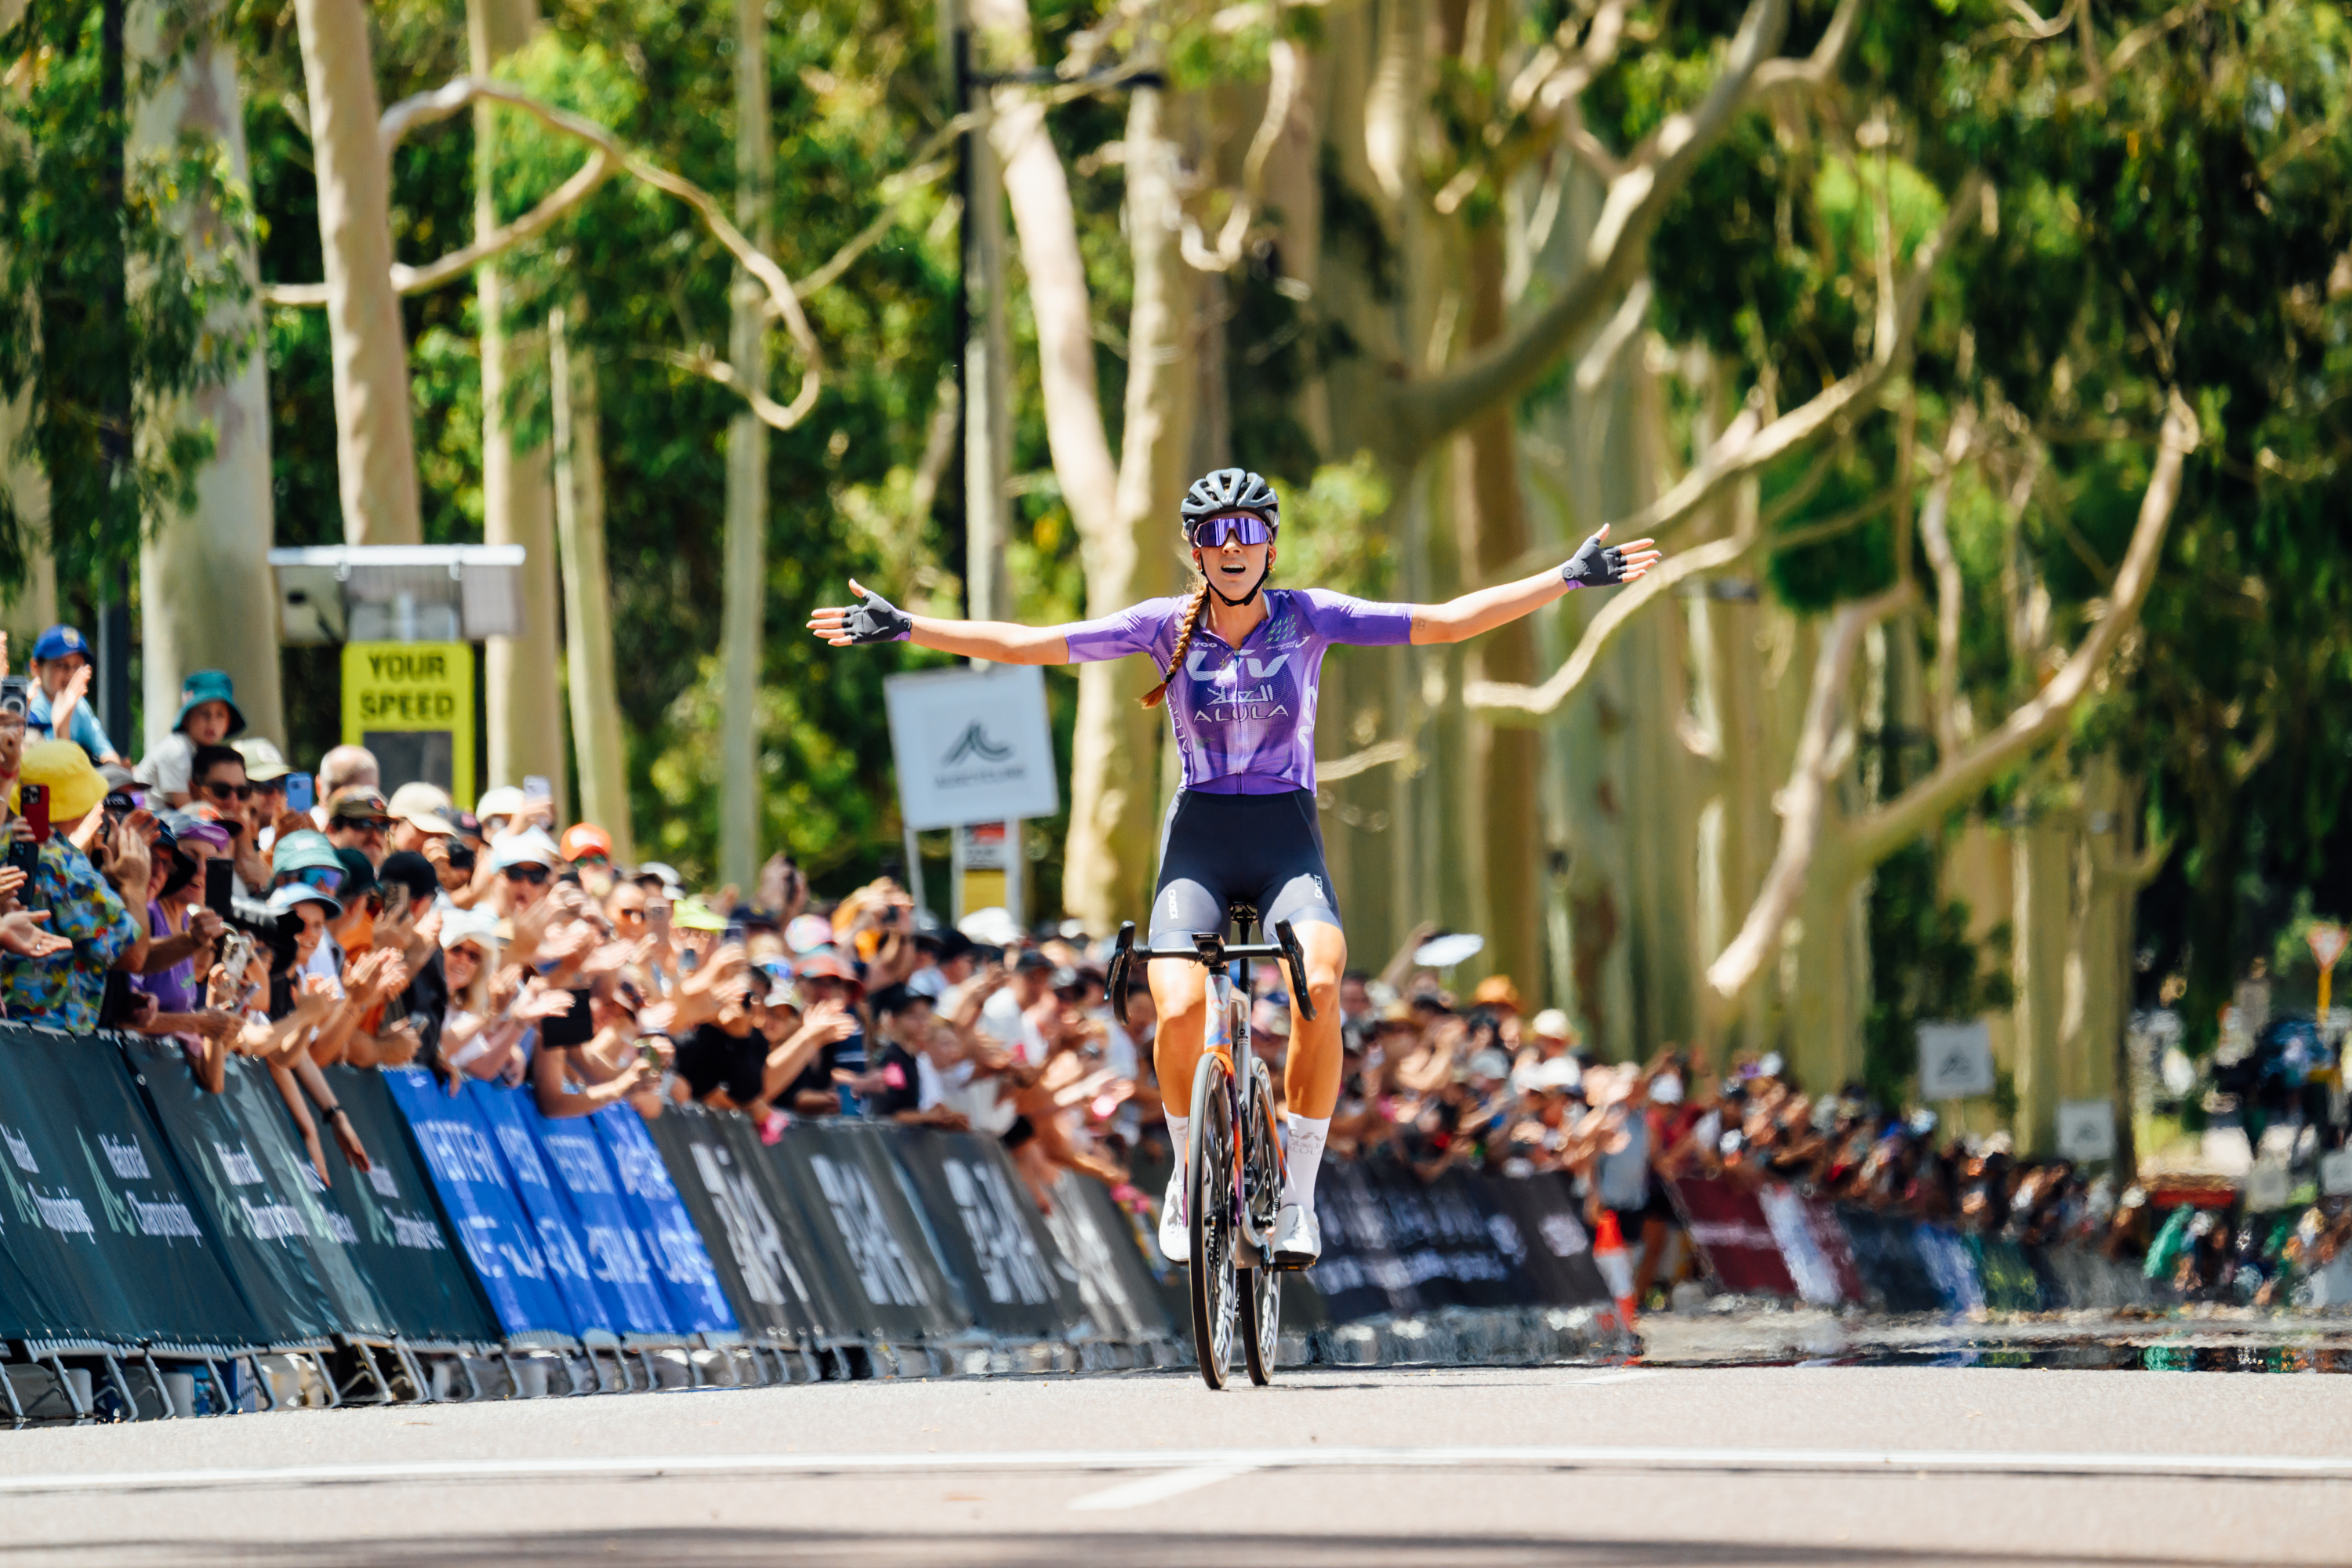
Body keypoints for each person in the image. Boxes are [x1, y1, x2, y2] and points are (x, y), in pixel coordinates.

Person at [810, 465, 1659, 1265]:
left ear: (1270, 543)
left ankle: (1295, 1190)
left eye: (1247, 530)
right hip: (1202, 838)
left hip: (1286, 836)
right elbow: (1032, 642)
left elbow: (1442, 621)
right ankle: (1189, 1173)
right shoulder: (1160, 627)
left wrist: (1566, 578)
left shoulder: (1309, 616)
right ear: (1196, 549)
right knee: (1178, 1007)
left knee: (1319, 987)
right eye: (1215, 533)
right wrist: (910, 625)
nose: (1233, 545)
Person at [132, 670, 244, 805]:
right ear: (186, 718)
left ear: (228, 723)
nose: (212, 722)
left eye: (220, 715)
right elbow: (185, 808)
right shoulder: (176, 750)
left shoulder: (197, 751)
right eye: (204, 714)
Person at [24, 625, 121, 764]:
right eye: (61, 665)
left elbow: (107, 754)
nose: (70, 674)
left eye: (77, 666)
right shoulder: (28, 704)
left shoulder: (79, 706)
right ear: (36, 668)